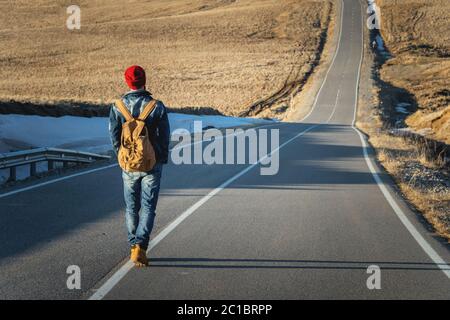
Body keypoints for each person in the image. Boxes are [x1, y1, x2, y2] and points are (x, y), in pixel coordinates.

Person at [109, 65, 170, 267]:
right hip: (152, 164)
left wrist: (122, 156)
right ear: (144, 80)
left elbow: (114, 136)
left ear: (127, 82)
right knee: (148, 207)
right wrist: (160, 158)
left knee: (131, 207)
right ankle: (141, 246)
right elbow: (164, 137)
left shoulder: (118, 106)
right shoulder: (156, 106)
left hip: (128, 165)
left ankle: (132, 244)